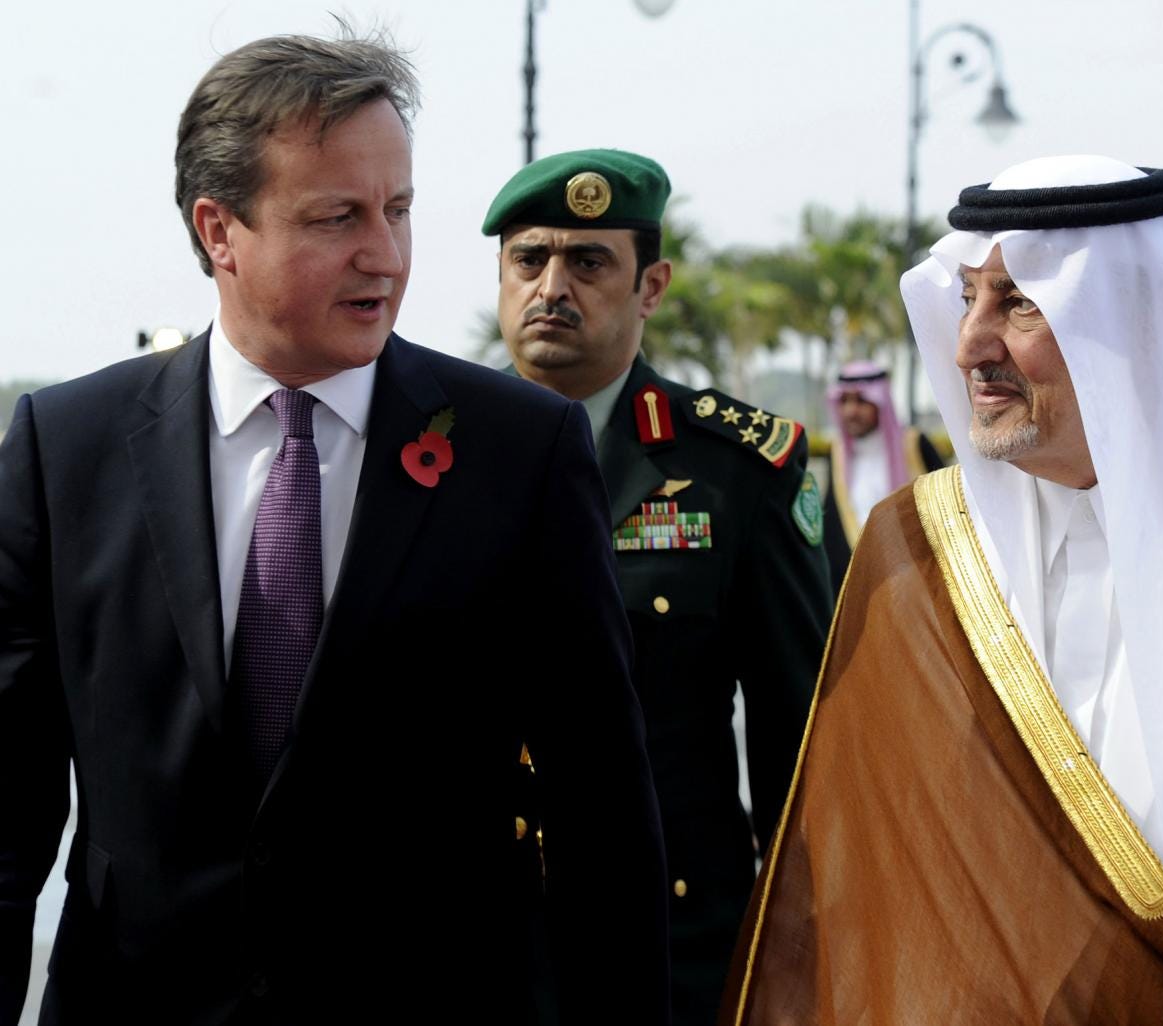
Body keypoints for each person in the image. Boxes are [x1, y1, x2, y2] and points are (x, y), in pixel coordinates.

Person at [0, 30, 669, 1026]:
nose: (387, 255)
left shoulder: (519, 451)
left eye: (397, 210)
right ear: (219, 230)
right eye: (336, 217)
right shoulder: (68, 447)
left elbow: (602, 812)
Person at [723, 156, 1163, 1025]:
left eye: (1020, 303)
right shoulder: (918, 547)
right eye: (967, 299)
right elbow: (866, 883)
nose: (969, 347)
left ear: (1137, 321)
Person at [484, 148, 833, 1026]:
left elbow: (801, 751)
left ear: (652, 286)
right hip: (470, 942)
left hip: (672, 946)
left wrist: (800, 956)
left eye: (589, 262)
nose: (552, 287)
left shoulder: (739, 471)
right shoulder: (429, 454)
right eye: (530, 259)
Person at [822, 360, 943, 589]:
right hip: (858, 583)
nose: (850, 411)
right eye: (844, 401)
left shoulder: (914, 445)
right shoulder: (837, 453)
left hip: (916, 581)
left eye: (861, 401)